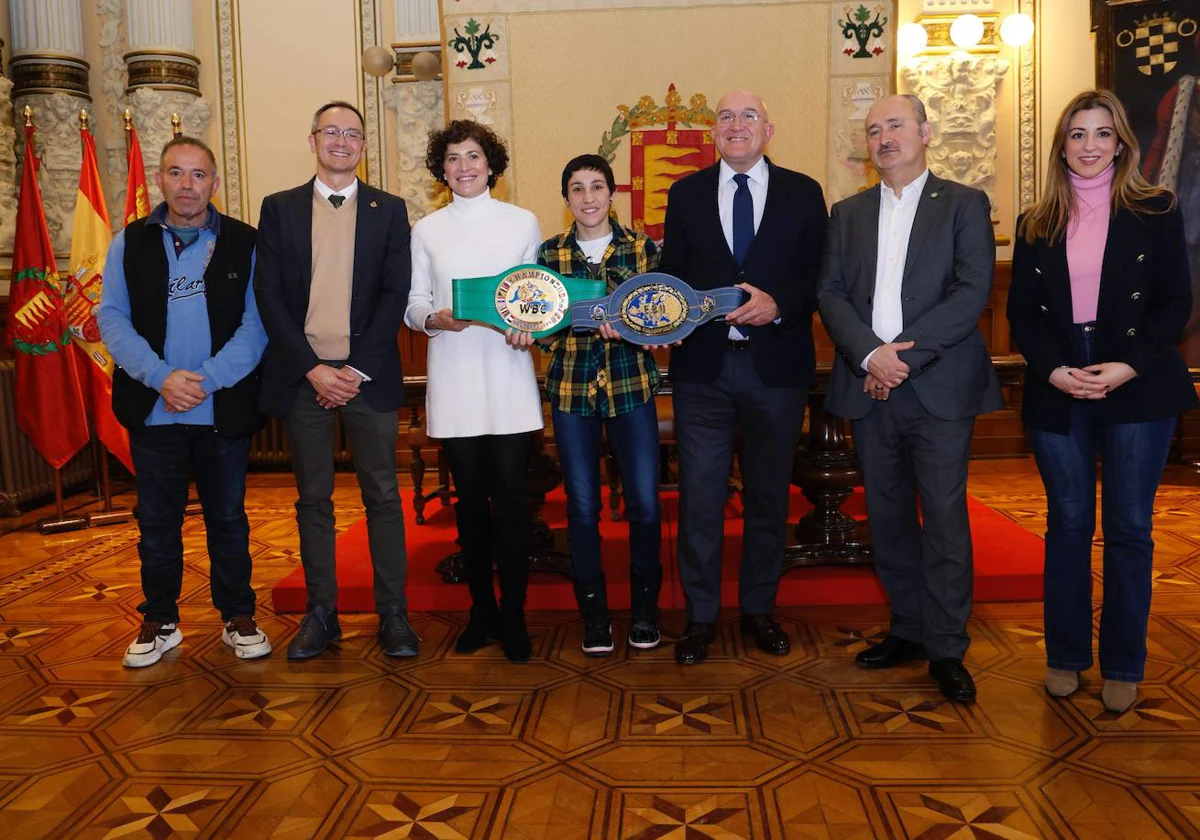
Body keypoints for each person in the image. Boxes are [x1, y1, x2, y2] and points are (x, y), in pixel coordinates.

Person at [1008, 89, 1197, 712]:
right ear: (1062, 144)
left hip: (1137, 381)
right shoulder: (1036, 221)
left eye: (1102, 134)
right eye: (1077, 134)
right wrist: (1055, 370)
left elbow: (1176, 303)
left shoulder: (1156, 210)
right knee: (1066, 525)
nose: (1089, 146)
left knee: (1129, 527)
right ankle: (1065, 656)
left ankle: (1123, 663)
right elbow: (1021, 316)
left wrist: (1124, 367)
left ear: (1121, 141)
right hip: (1058, 384)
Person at [818, 94, 1002, 703]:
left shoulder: (965, 204)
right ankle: (909, 629)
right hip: (872, 385)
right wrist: (871, 354)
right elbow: (832, 293)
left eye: (895, 125)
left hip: (938, 384)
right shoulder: (847, 212)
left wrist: (897, 357)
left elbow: (971, 292)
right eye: (874, 130)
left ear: (925, 131)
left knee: (945, 521)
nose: (884, 137)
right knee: (890, 519)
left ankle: (947, 648)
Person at [659, 89, 828, 666]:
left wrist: (778, 305)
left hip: (776, 369)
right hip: (702, 371)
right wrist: (668, 318)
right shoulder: (684, 195)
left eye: (748, 116)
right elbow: (670, 276)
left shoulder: (804, 193)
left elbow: (820, 278)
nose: (737, 125)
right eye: (726, 118)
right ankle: (701, 618)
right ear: (714, 134)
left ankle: (759, 610)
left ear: (768, 129)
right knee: (700, 499)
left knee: (766, 497)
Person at [97, 136, 271, 667]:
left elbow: (258, 325)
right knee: (156, 522)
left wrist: (205, 381)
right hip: (154, 410)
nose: (187, 185)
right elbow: (112, 318)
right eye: (176, 173)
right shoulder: (129, 242)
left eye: (198, 175)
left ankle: (238, 616)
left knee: (228, 519)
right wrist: (162, 378)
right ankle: (161, 620)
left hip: (222, 410)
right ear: (161, 179)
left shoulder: (246, 242)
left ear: (215, 184)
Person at [255, 101, 416, 661]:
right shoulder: (278, 209)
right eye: (332, 132)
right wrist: (313, 369)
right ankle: (321, 614)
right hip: (305, 380)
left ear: (364, 145)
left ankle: (393, 613)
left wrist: (352, 370)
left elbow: (396, 294)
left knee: (383, 497)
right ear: (313, 139)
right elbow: (269, 296)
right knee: (313, 501)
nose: (342, 141)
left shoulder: (389, 210)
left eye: (353, 133)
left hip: (366, 379)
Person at [404, 119, 543, 663]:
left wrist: (530, 324)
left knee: (512, 507)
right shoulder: (427, 230)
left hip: (507, 376)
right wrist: (434, 319)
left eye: (474, 156)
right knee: (470, 510)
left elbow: (539, 298)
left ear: (492, 165)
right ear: (443, 169)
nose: (465, 166)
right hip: (455, 378)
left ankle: (514, 616)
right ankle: (480, 612)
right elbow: (413, 303)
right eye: (454, 158)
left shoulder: (522, 222)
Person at [536, 154, 663, 656]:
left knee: (646, 504)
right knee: (582, 507)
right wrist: (537, 331)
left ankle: (646, 612)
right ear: (566, 199)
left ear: (613, 194)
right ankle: (594, 617)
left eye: (596, 187)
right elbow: (543, 328)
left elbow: (657, 317)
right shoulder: (549, 255)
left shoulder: (643, 248)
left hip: (632, 387)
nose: (587, 197)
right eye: (576, 189)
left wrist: (630, 325)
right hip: (571, 392)